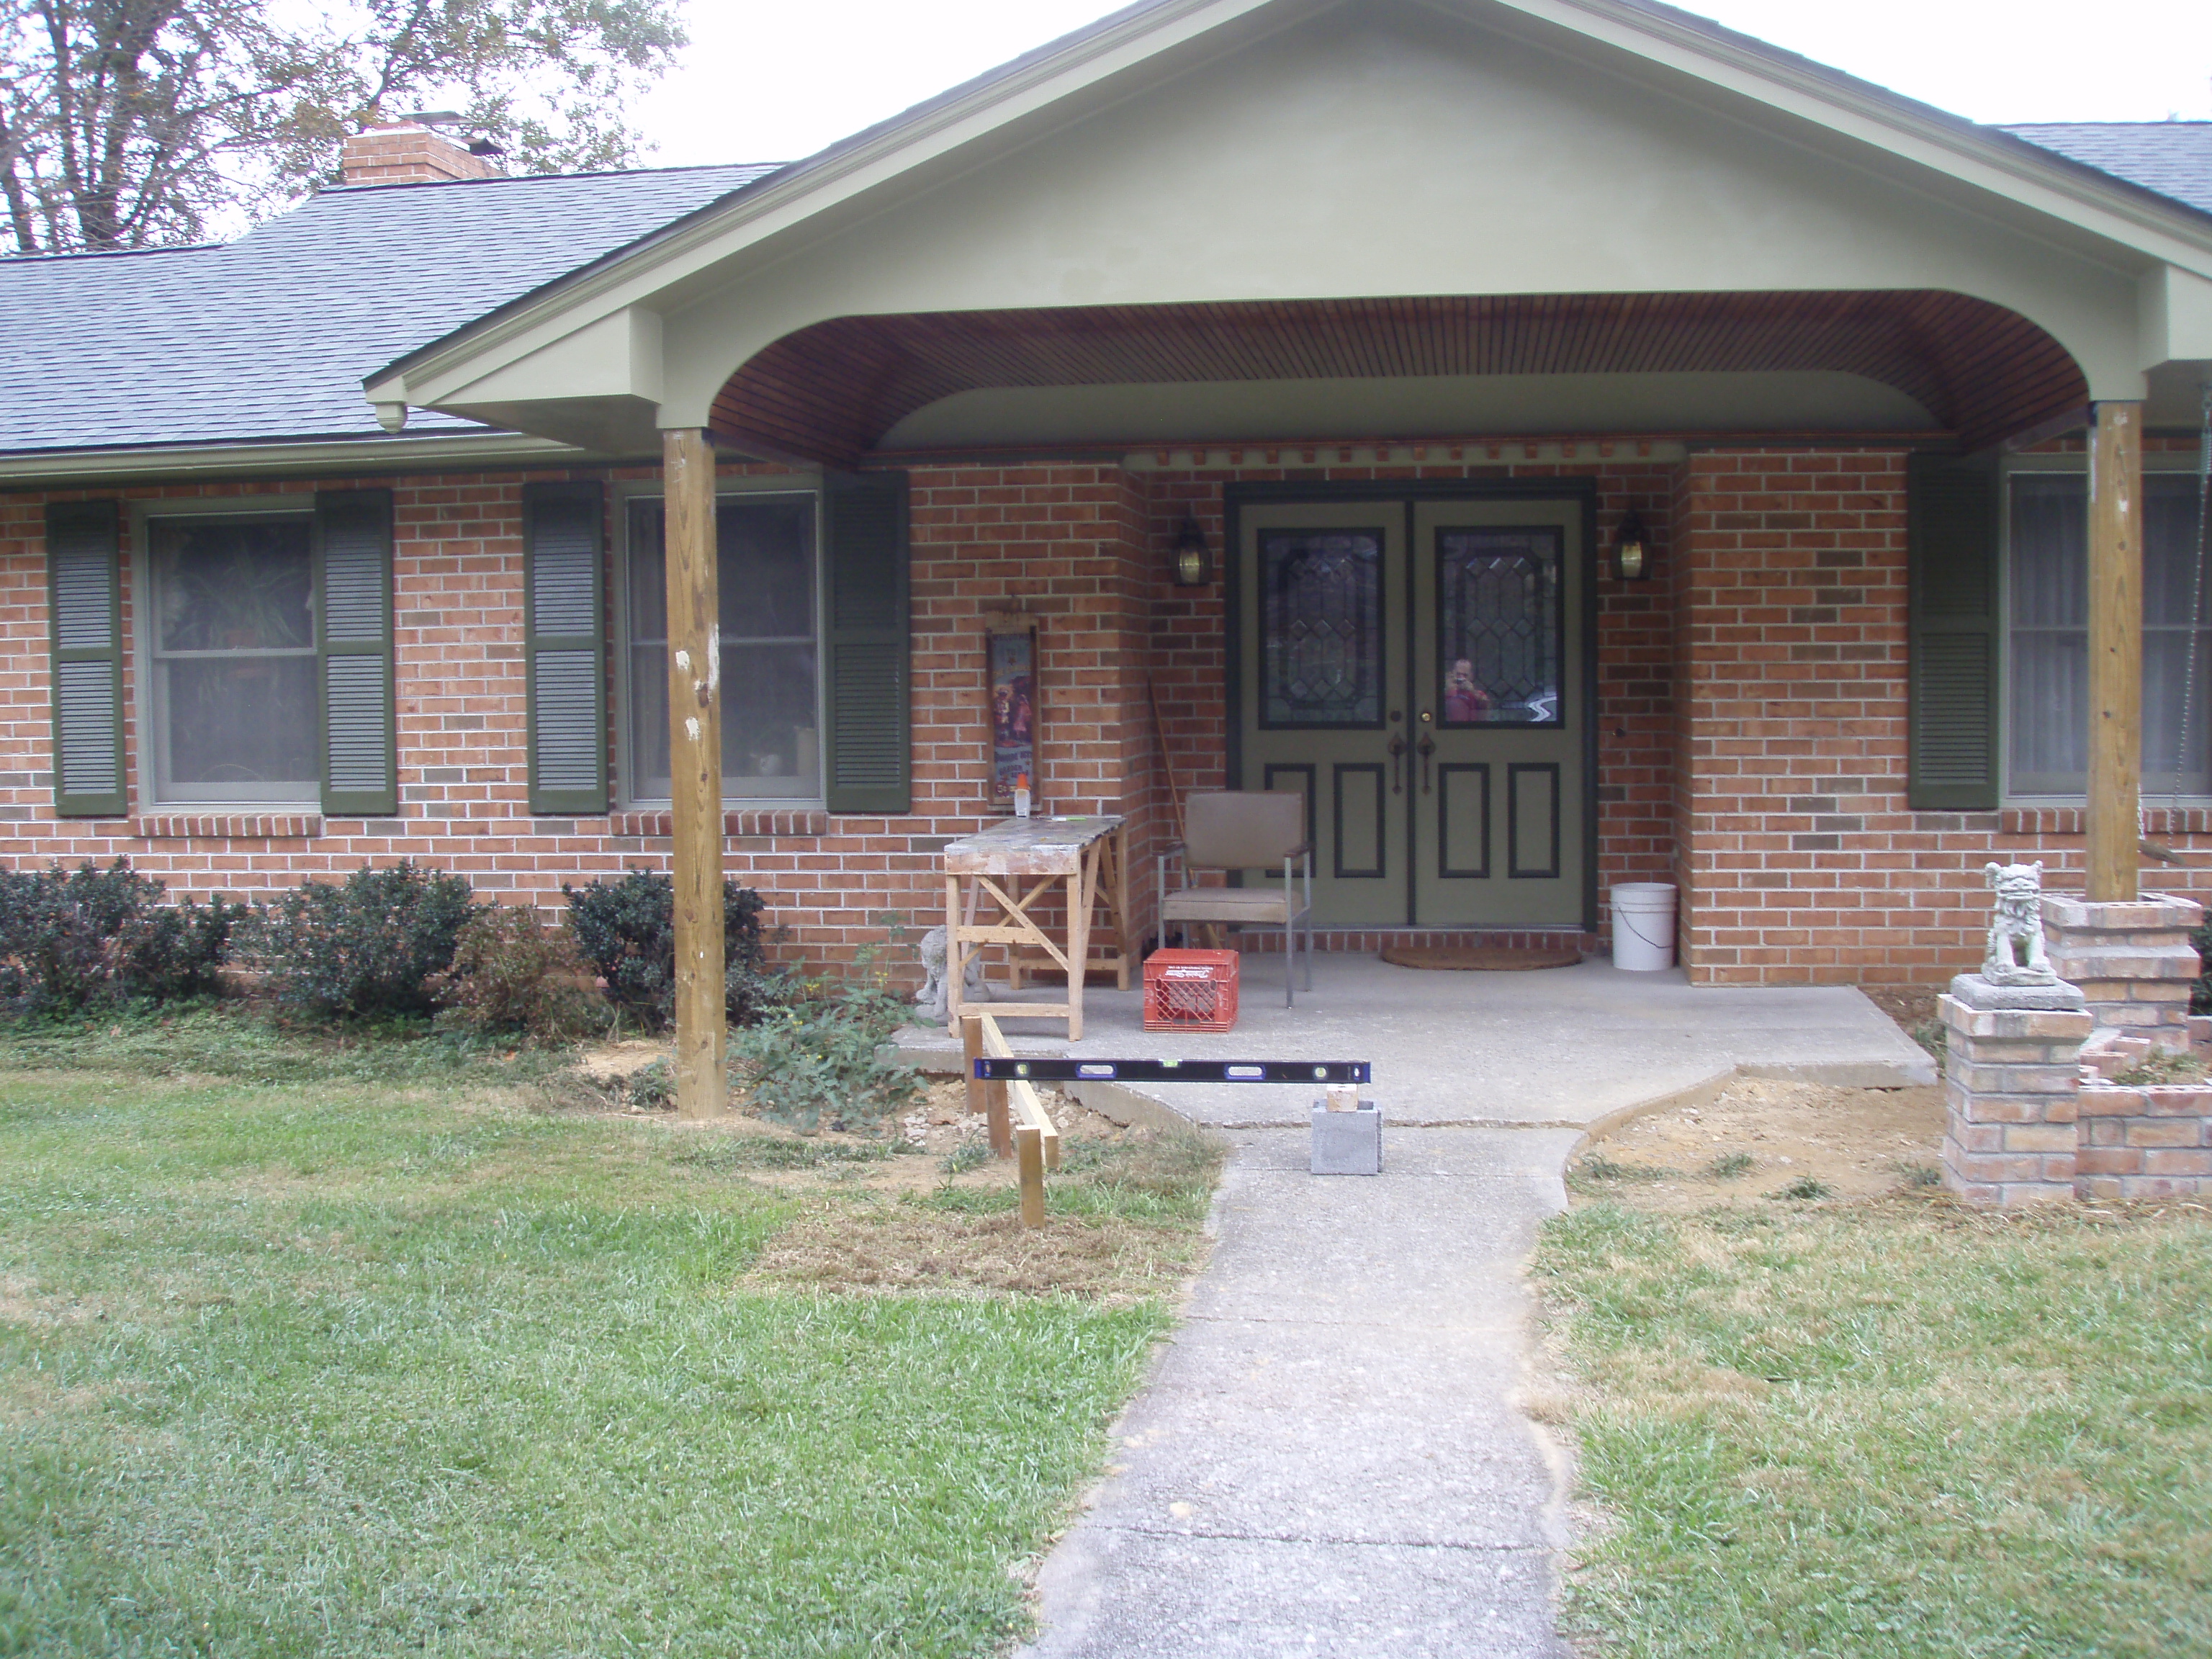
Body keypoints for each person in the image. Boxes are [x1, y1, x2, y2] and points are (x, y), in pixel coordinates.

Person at [1443, 657, 1489, 722]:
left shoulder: (1477, 694)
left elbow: (1485, 709)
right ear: (1453, 673)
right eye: (1458, 674)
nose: (1461, 678)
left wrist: (1473, 692)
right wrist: (1447, 690)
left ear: (1471, 676)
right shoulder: (1447, 691)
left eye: (1465, 675)